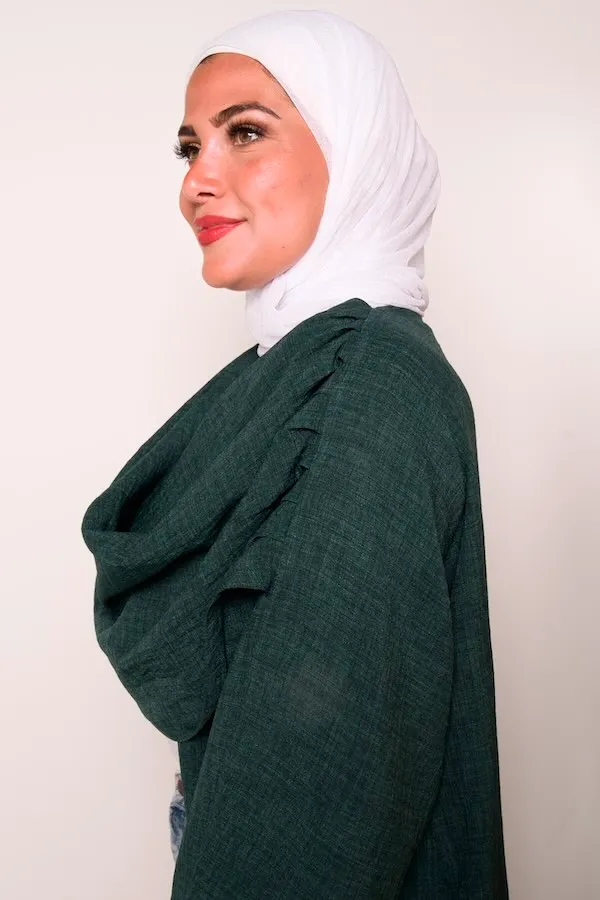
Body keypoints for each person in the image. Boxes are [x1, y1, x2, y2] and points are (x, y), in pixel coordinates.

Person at [81, 9, 509, 899]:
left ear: (354, 153)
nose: (197, 181)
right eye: (190, 147)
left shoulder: (369, 382)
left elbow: (321, 788)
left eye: (244, 133)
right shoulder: (302, 370)